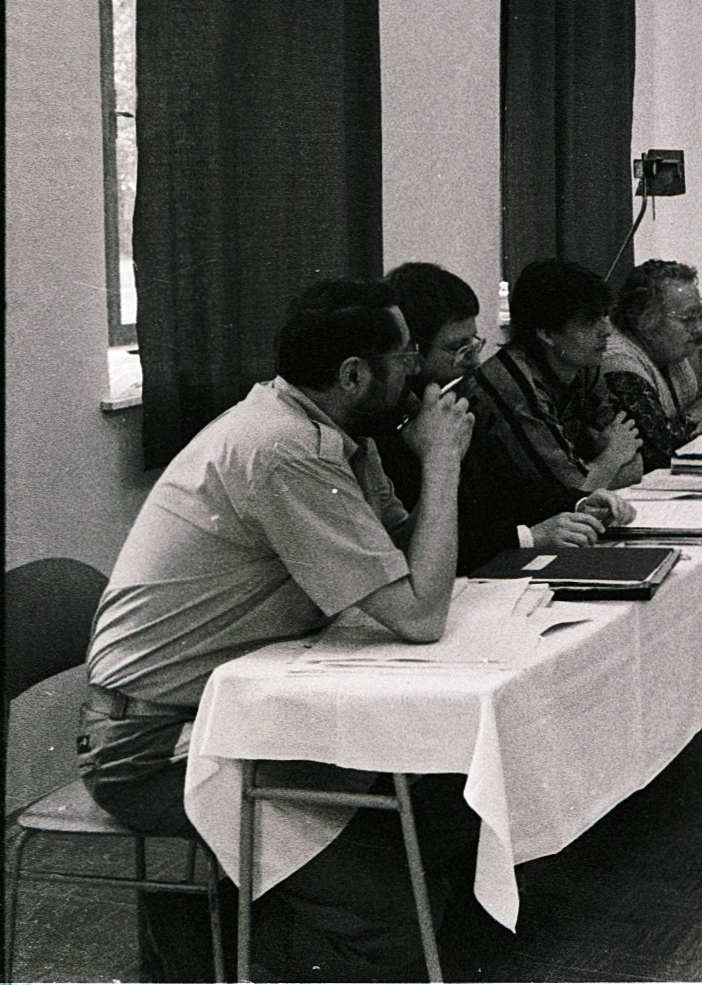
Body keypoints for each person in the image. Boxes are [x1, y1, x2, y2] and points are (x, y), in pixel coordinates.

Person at [77, 280, 484, 980]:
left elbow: (412, 567)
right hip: (154, 748)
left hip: (235, 714)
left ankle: (249, 909)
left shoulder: (336, 434)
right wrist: (443, 464)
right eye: (404, 356)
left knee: (441, 818)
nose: (418, 369)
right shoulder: (285, 450)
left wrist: (427, 468)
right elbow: (420, 614)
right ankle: (189, 945)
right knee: (394, 923)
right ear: (354, 375)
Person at [381, 262, 633, 573]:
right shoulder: (384, 427)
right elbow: (419, 545)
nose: (474, 361)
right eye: (457, 349)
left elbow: (507, 485)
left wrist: (580, 503)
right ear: (411, 354)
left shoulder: (454, 398)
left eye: (474, 343)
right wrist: (529, 537)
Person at [471, 259, 644, 494]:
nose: (607, 330)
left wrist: (600, 466)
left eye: (605, 315)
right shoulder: (514, 385)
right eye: (590, 322)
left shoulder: (584, 365)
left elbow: (636, 467)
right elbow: (573, 490)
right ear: (547, 333)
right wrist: (612, 455)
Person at [602, 259, 702, 471]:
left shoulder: (671, 355)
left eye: (700, 316)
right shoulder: (618, 363)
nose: (698, 328)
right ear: (644, 320)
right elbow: (659, 450)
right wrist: (696, 421)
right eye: (688, 318)